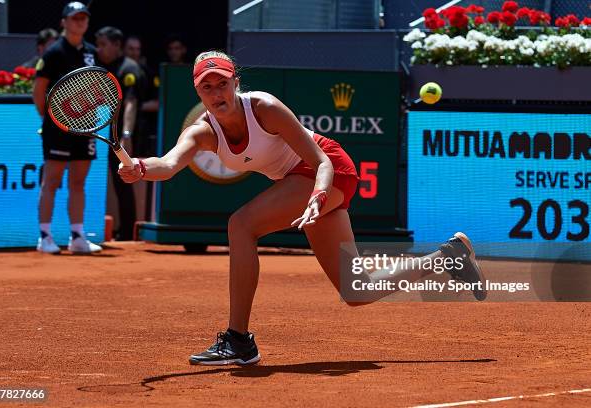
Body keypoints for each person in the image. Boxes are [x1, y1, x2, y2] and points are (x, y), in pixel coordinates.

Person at [118, 51, 487, 366]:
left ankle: (239, 339)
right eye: (207, 87)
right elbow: (167, 165)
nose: (216, 92)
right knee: (356, 290)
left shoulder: (263, 107)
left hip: (329, 170)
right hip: (300, 182)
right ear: (197, 91)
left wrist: (319, 194)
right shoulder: (201, 131)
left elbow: (321, 162)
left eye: (222, 83)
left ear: (236, 83)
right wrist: (139, 167)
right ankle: (449, 256)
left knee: (241, 225)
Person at [33, 1, 101, 254]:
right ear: (64, 22)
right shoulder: (53, 53)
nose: (79, 22)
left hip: (85, 127)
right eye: (74, 18)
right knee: (51, 181)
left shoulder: (91, 53)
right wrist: (51, 120)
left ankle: (77, 236)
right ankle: (45, 236)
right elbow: (39, 92)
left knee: (78, 183)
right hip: (57, 128)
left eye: (83, 18)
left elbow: (96, 88)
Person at [96, 26, 145, 240]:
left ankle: (126, 234)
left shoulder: (129, 68)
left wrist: (126, 134)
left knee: (123, 181)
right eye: (98, 45)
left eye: (103, 44)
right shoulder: (96, 66)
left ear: (117, 45)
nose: (99, 49)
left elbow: (131, 103)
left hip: (122, 135)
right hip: (97, 133)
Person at [124, 35, 159, 157]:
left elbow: (157, 104)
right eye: (131, 49)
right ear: (123, 50)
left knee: (140, 166)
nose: (134, 53)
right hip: (117, 127)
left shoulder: (148, 73)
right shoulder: (117, 70)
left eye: (137, 49)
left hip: (142, 129)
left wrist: (133, 107)